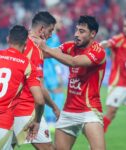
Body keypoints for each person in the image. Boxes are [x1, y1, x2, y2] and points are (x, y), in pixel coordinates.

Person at [39, 15, 106, 150]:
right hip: (68, 111)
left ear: (93, 34)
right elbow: (47, 54)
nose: (76, 34)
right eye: (76, 30)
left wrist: (46, 48)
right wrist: (35, 41)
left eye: (82, 31)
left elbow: (74, 61)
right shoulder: (70, 46)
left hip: (89, 110)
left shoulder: (98, 52)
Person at [12, 11, 59, 150]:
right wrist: (54, 107)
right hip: (25, 109)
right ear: (41, 30)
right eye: (50, 31)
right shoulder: (35, 49)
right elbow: (39, 87)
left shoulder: (18, 39)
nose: (50, 35)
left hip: (8, 108)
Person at [100, 17, 126, 149]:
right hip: (118, 84)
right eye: (125, 26)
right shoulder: (118, 39)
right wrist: (98, 45)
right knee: (111, 113)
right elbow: (107, 43)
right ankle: (95, 143)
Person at [43, 14, 66, 123]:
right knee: (57, 91)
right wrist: (59, 73)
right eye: (59, 21)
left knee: (48, 94)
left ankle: (50, 119)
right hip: (50, 70)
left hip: (45, 69)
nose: (61, 23)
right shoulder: (53, 37)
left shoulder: (47, 36)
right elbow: (54, 57)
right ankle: (54, 118)